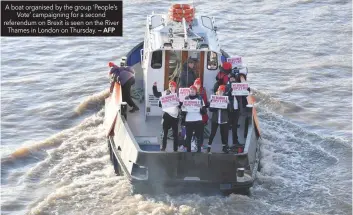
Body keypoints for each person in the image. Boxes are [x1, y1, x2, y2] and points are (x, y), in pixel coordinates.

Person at [152, 81, 180, 152]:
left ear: (175, 87)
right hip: (166, 115)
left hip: (175, 117)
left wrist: (179, 103)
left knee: (175, 135)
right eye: (170, 86)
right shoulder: (165, 92)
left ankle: (175, 149)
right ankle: (163, 147)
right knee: (165, 133)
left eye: (173, 86)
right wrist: (154, 87)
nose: (171, 87)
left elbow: (182, 104)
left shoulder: (178, 94)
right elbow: (156, 94)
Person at [181, 85, 206, 152]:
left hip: (198, 120)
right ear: (189, 91)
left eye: (193, 90)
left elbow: (204, 112)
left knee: (199, 137)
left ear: (196, 91)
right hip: (189, 121)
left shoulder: (200, 99)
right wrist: (183, 108)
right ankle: (188, 151)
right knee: (188, 137)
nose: (192, 91)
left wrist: (201, 107)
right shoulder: (186, 98)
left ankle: (199, 150)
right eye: (191, 90)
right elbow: (182, 113)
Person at [207, 85, 230, 154]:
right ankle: (209, 147)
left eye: (222, 91)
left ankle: (224, 148)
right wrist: (212, 104)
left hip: (224, 119)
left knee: (224, 135)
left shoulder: (226, 99)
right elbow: (210, 109)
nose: (220, 92)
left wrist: (228, 104)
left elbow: (229, 110)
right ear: (217, 91)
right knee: (212, 134)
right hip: (215, 119)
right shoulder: (213, 98)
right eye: (219, 90)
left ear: (224, 92)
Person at [193, 78, 209, 148]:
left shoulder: (203, 92)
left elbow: (205, 102)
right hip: (193, 115)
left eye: (198, 84)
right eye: (196, 84)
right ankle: (193, 143)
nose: (197, 85)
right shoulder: (191, 91)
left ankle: (200, 144)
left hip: (201, 115)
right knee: (193, 131)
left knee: (201, 131)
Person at [226, 73, 241, 146]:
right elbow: (225, 95)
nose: (232, 79)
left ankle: (235, 141)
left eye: (233, 78)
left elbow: (244, 95)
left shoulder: (239, 86)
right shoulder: (227, 86)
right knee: (227, 125)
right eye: (231, 78)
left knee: (235, 126)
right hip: (230, 109)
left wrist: (247, 90)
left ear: (235, 79)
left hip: (236, 109)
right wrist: (230, 90)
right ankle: (225, 142)